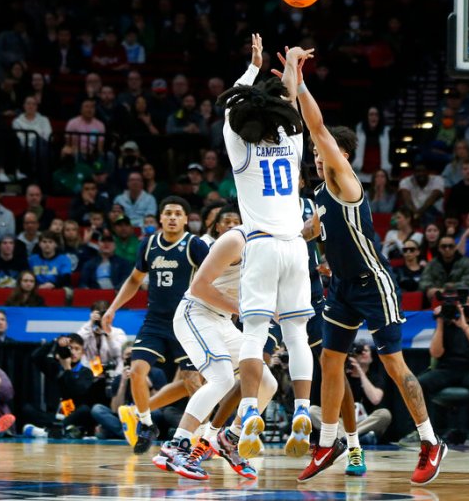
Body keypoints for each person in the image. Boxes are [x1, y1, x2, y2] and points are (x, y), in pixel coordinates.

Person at [294, 53, 447, 485]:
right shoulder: (321, 196)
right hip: (342, 287)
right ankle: (328, 442)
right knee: (329, 358)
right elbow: (309, 234)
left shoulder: (347, 182)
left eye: (323, 152)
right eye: (314, 154)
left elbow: (318, 128)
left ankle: (430, 441)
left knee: (395, 367)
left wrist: (299, 83)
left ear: (340, 154)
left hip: (373, 283)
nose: (316, 156)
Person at [216, 37, 316, 465]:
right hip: (296, 246)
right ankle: (300, 410)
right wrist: (292, 65)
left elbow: (227, 110)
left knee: (255, 334)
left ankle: (249, 409)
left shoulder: (241, 147)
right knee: (296, 336)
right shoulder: (292, 143)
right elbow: (292, 106)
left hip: (259, 245)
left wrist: (252, 68)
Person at [150, 221, 279, 480]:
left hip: (222, 321)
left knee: (267, 382)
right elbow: (199, 287)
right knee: (222, 377)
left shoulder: (275, 246)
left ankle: (229, 439)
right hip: (195, 312)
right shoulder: (236, 239)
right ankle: (176, 446)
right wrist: (243, 309)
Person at [102, 196, 208, 454]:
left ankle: (204, 438)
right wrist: (112, 308)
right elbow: (134, 280)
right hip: (155, 321)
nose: (172, 217)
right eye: (168, 213)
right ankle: (147, 424)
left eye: (177, 213)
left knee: (193, 383)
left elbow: (214, 279)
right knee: (137, 369)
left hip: (186, 320)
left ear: (186, 220)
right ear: (160, 218)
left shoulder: (194, 245)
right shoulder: (148, 245)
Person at [405, 290, 469, 449]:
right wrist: (440, 322)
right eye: (468, 302)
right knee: (418, 383)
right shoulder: (445, 324)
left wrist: (464, 326)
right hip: (446, 369)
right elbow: (435, 353)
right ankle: (421, 432)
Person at [420, 235, 469, 307]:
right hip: (438, 297)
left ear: (455, 248)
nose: (447, 249)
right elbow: (424, 281)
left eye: (450, 246)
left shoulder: (466, 262)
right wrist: (430, 288)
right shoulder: (432, 264)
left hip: (460, 298)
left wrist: (451, 287)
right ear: (439, 248)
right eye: (444, 246)